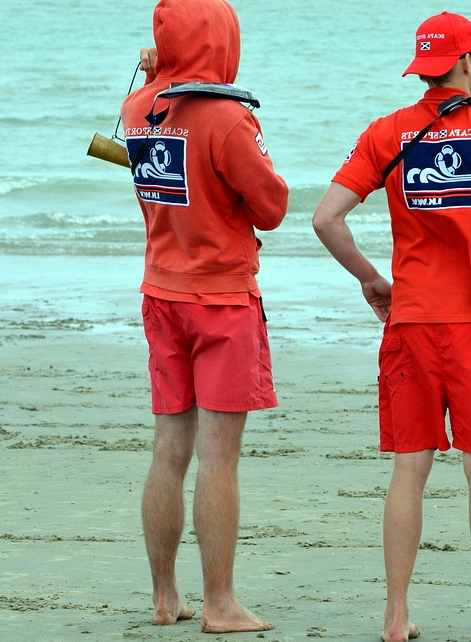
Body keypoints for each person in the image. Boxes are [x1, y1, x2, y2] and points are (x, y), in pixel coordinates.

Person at [312, 12, 471, 642]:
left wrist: (371, 279)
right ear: (467, 64)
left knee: (409, 468)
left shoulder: (387, 131)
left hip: (411, 323)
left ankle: (395, 617)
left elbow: (326, 219)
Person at [121, 0, 288, 633]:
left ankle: (166, 597)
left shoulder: (141, 108)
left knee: (169, 451)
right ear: (222, 39)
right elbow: (270, 206)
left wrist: (153, 72)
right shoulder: (228, 118)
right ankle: (219, 603)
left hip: (162, 292)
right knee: (219, 458)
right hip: (220, 300)